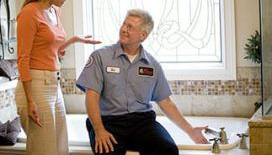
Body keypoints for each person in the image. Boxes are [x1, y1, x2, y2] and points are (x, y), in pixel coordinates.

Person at [76, 9, 209, 155]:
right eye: (124, 24)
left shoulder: (152, 65)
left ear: (143, 35)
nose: (124, 29)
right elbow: (91, 97)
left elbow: (165, 102)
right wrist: (99, 131)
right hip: (108, 122)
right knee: (107, 152)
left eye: (130, 27)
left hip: (142, 123)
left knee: (168, 150)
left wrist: (190, 130)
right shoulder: (100, 57)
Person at [15, 0, 101, 155]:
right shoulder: (30, 13)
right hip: (35, 86)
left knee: (61, 148)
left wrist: (75, 40)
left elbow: (52, 49)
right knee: (43, 150)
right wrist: (30, 101)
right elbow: (23, 58)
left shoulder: (54, 12)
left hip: (54, 84)